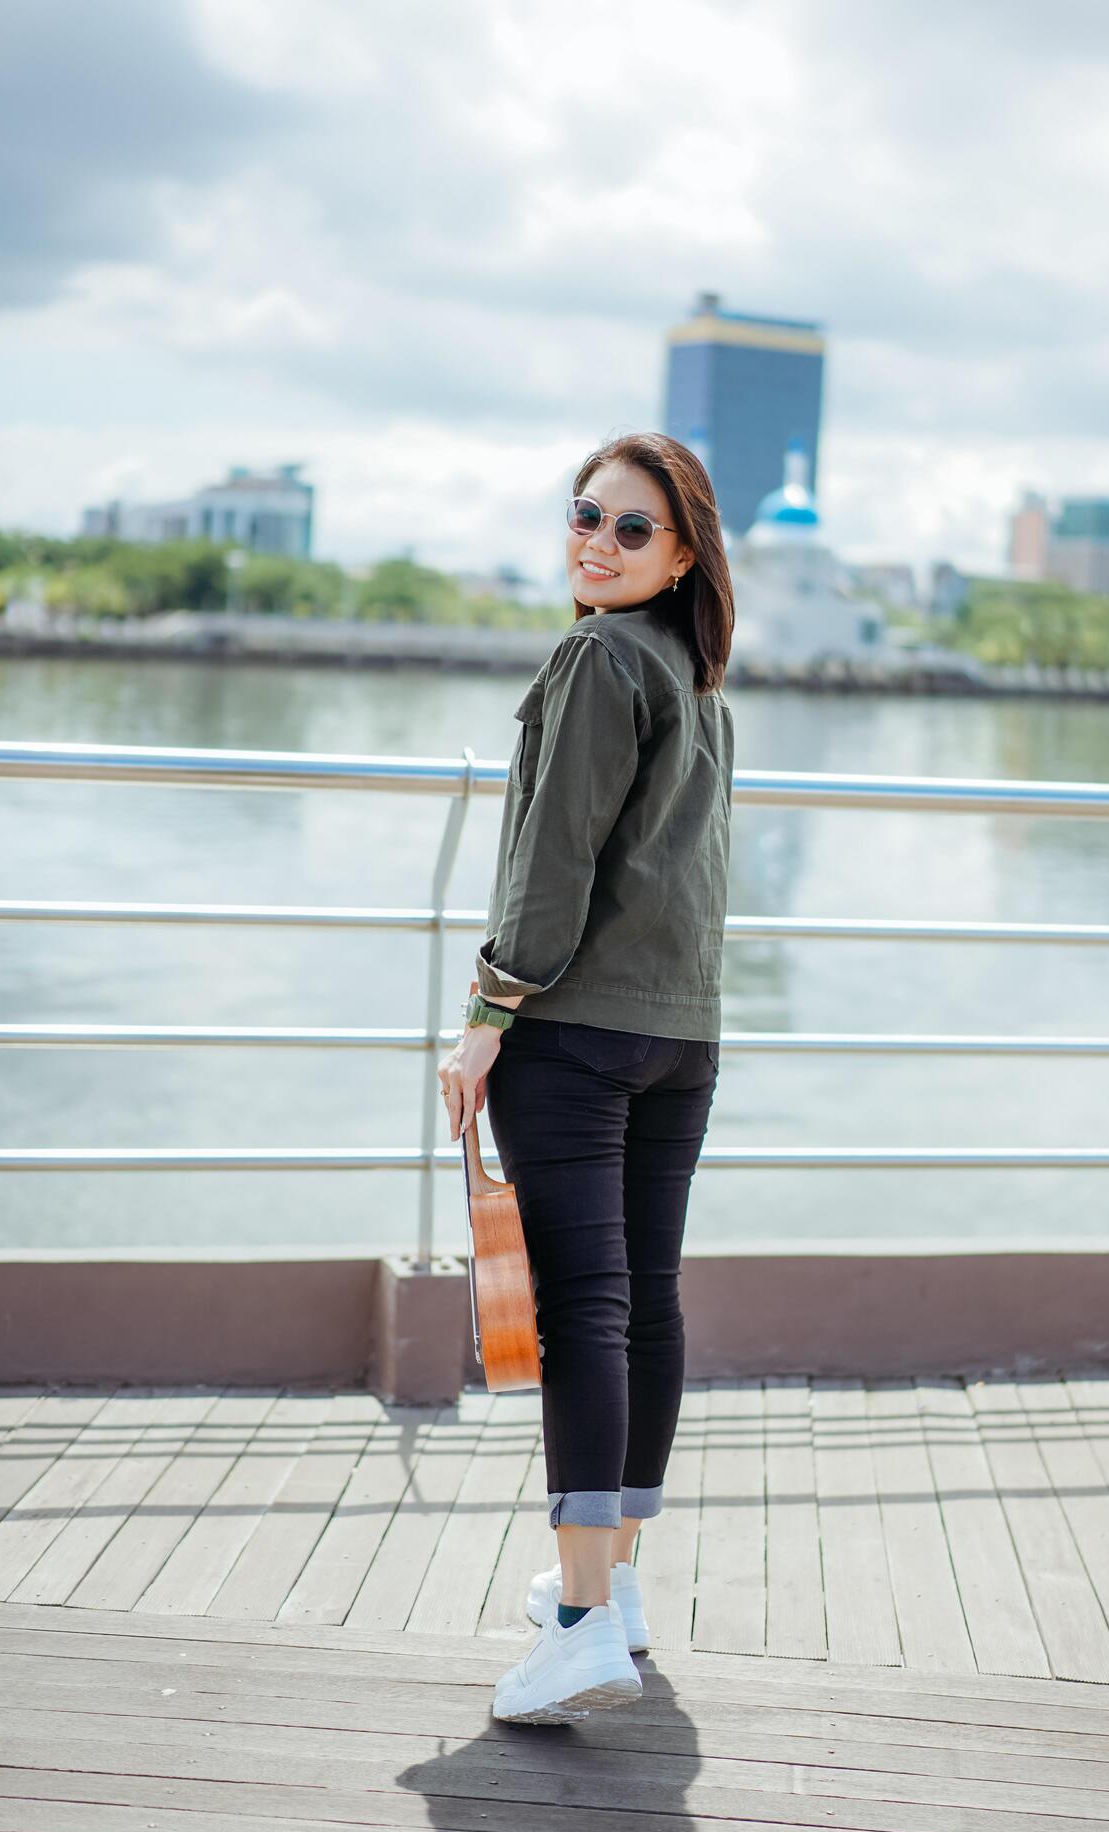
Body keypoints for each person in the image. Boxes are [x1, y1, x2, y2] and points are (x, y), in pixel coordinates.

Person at [437, 430, 735, 1724]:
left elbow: (553, 867)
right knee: (643, 1309)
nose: (595, 543)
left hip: (576, 1036)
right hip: (682, 1038)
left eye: (630, 529)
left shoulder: (596, 655)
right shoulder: (692, 675)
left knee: (585, 1321)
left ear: (680, 557)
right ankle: (612, 1588)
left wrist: (489, 1012)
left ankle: (575, 1620)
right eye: (585, 516)